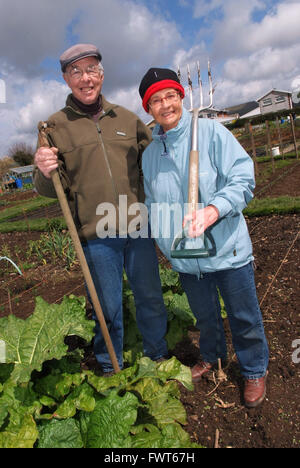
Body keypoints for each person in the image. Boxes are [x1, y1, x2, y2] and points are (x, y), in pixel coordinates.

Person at [138, 67, 269, 408]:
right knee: (205, 315)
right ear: (148, 109)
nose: (165, 105)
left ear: (181, 97)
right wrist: (166, 243)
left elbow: (243, 179)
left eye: (170, 96)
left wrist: (213, 209)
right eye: (156, 100)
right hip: (187, 257)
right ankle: (211, 357)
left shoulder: (210, 132)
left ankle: (254, 368)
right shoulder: (150, 154)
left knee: (243, 314)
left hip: (226, 247)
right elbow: (154, 203)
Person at [34, 44, 168, 374]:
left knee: (150, 297)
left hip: (137, 227)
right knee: (106, 307)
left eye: (91, 69)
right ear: (66, 79)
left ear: (102, 75)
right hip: (96, 235)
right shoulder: (54, 127)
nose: (85, 78)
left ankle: (159, 356)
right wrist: (42, 168)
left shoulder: (127, 119)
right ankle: (112, 368)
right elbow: (52, 191)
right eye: (76, 71)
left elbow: (153, 166)